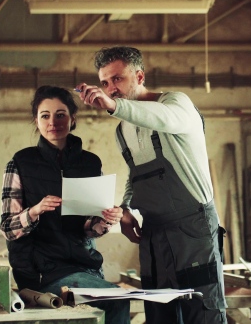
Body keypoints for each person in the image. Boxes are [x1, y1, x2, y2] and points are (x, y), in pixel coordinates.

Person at [77, 46, 227, 324]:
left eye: (118, 79)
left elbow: (163, 118)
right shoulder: (123, 129)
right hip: (154, 235)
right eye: (105, 83)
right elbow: (136, 175)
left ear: (140, 76)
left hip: (193, 231)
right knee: (160, 317)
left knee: (203, 315)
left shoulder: (176, 104)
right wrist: (125, 209)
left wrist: (113, 107)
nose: (112, 89)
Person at [0, 85, 130, 324]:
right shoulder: (21, 162)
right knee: (117, 299)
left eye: (61, 114)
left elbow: (88, 228)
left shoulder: (90, 163)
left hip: (85, 266)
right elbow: (8, 228)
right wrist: (35, 211)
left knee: (110, 304)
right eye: (45, 115)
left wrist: (105, 221)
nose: (53, 122)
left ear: (72, 118)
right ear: (36, 120)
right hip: (41, 272)